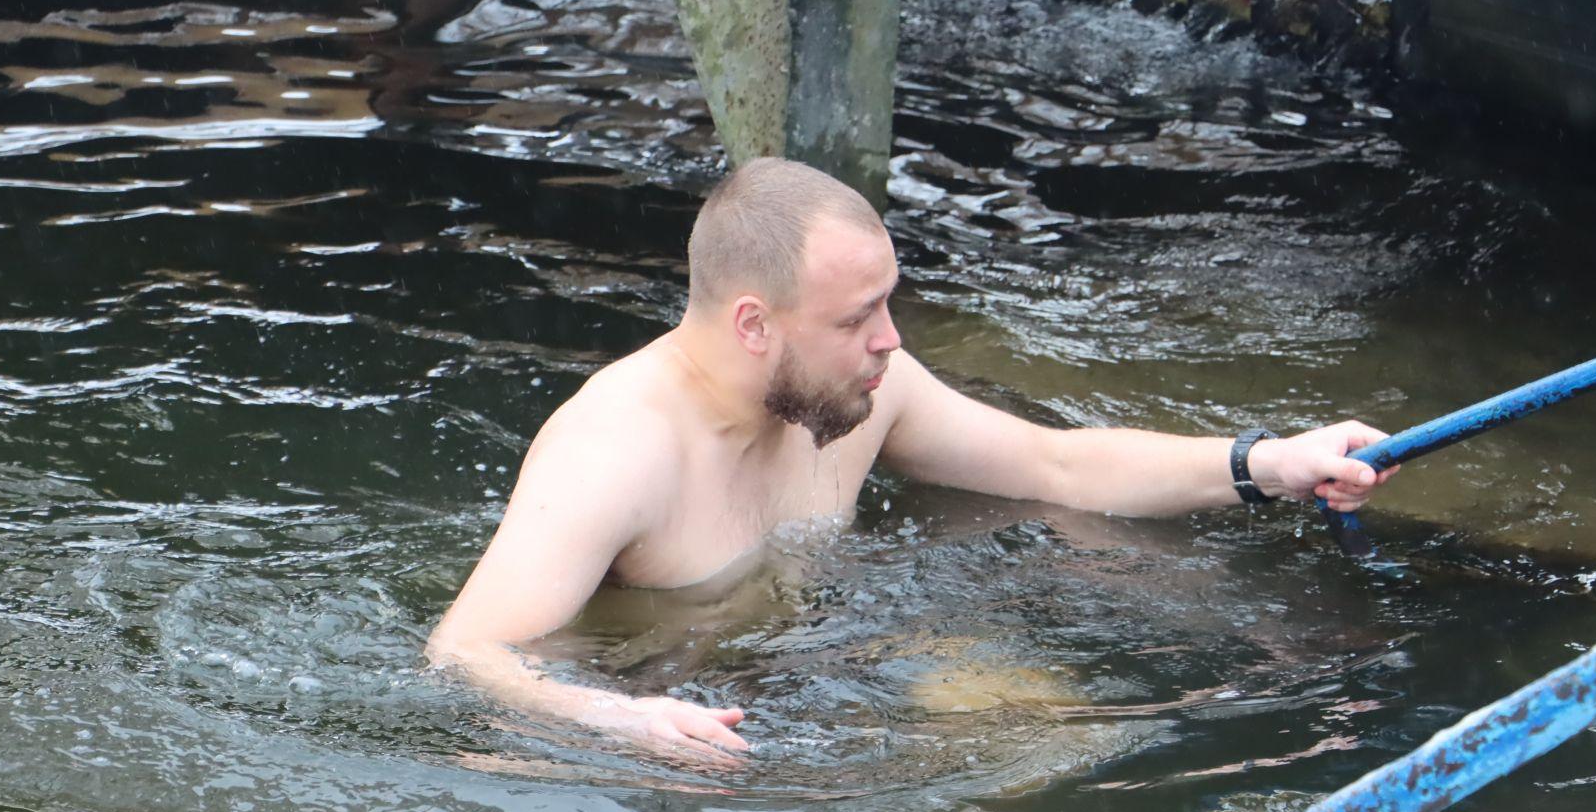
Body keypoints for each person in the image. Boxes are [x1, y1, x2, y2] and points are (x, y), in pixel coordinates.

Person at [426, 157, 1394, 760]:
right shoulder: (617, 449)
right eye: (857, 319)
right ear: (754, 325)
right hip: (659, 727)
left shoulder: (856, 390)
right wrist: (619, 723)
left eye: (887, 302)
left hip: (814, 675)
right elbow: (462, 656)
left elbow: (1052, 466)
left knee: (1052, 737)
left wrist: (1265, 462)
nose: (889, 341)